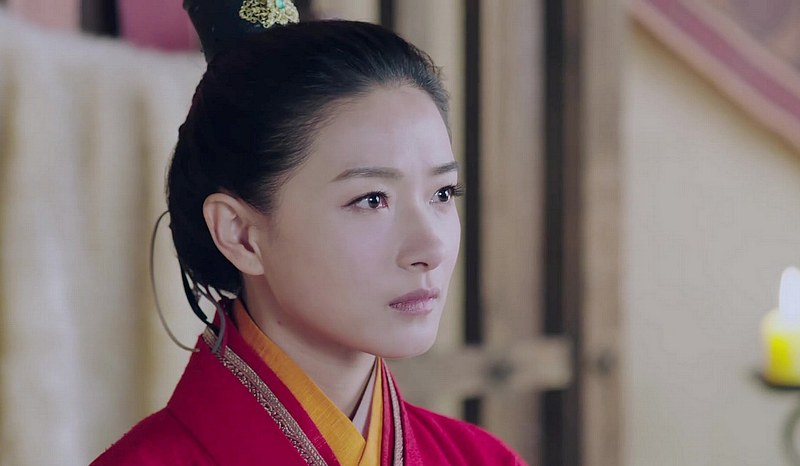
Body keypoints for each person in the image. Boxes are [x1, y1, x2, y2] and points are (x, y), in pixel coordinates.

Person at [94, 1, 525, 464]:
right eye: (372, 199)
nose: (431, 248)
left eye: (442, 193)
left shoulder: (482, 458)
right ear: (239, 233)